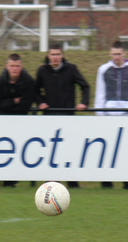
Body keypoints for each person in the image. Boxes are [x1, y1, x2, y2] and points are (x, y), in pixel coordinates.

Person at [35, 43, 89, 188]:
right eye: (52, 54)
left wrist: (84, 102)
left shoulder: (71, 69)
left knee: (69, 150)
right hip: (49, 117)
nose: (55, 57)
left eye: (58, 54)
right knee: (51, 151)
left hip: (67, 116)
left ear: (62, 55)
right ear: (48, 56)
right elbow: (34, 90)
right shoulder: (42, 70)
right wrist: (40, 102)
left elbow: (85, 86)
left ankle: (72, 182)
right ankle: (52, 181)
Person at [94, 41, 128, 190]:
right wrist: (100, 115)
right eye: (114, 54)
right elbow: (100, 94)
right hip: (109, 115)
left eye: (119, 54)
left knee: (127, 150)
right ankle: (106, 181)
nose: (116, 57)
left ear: (124, 53)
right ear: (110, 54)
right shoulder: (103, 69)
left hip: (127, 114)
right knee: (107, 149)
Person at [0, 53, 36, 187]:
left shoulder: (28, 81)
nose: (14, 69)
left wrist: (8, 104)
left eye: (17, 66)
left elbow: (26, 105)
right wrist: (13, 101)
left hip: (20, 123)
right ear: (7, 66)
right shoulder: (0, 81)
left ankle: (10, 181)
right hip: (2, 122)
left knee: (16, 152)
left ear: (21, 67)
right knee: (0, 151)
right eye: (12, 66)